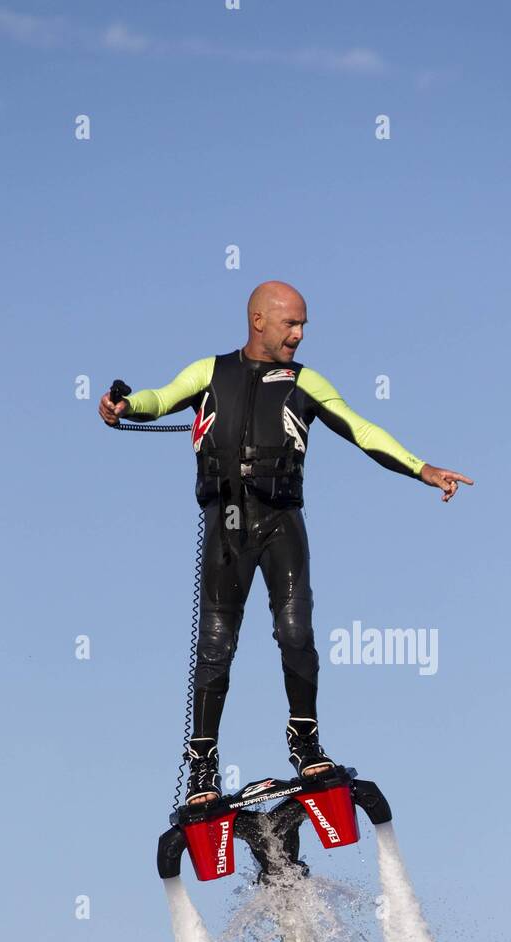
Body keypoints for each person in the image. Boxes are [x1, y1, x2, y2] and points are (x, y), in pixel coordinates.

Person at [99, 281, 473, 804]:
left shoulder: (306, 381)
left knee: (296, 633)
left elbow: (362, 430)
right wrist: (123, 405)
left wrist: (423, 469)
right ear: (258, 321)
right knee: (215, 645)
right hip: (227, 522)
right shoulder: (209, 373)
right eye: (290, 324)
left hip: (281, 523)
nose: (298, 335)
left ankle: (307, 744)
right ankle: (203, 770)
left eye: (302, 325)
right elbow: (158, 399)